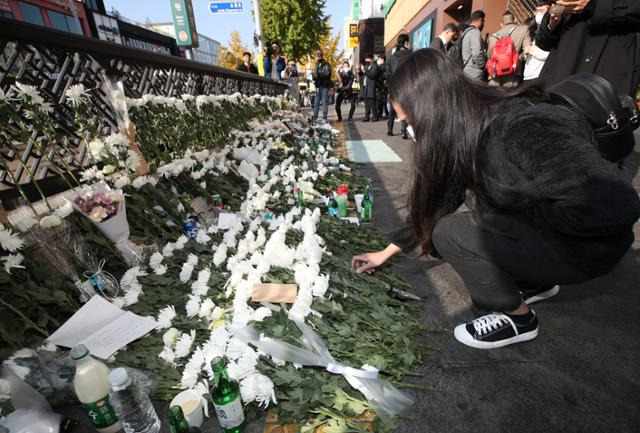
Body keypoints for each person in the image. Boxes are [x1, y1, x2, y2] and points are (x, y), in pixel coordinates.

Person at [351, 49, 640, 350]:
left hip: (590, 246)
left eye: (408, 120)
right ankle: (535, 281)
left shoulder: (517, 128)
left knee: (450, 233)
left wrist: (528, 228)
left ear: (431, 108)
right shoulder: (470, 128)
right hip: (565, 233)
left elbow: (616, 203)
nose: (409, 132)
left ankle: (517, 318)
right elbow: (435, 204)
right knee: (474, 216)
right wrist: (384, 253)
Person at [536, 0, 640, 96]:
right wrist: (552, 24)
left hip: (606, 68)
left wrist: (594, 5)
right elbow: (543, 42)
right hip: (558, 74)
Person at [486, 10, 532, 88]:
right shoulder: (523, 30)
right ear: (515, 20)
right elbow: (527, 50)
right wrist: (516, 59)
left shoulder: (493, 36)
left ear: (501, 24)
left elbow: (489, 56)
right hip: (512, 76)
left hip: (495, 76)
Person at [387, 34, 411, 137]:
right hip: (406, 85)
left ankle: (390, 130)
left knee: (392, 109)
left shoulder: (392, 57)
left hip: (394, 85)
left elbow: (387, 73)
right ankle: (403, 131)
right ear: (406, 42)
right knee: (405, 108)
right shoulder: (409, 55)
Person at [523, 3, 551, 82]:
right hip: (528, 75)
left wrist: (533, 51)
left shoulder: (552, 33)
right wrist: (526, 53)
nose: (538, 14)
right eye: (537, 11)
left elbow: (552, 54)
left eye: (542, 11)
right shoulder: (535, 33)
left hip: (539, 74)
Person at [462, 10, 487, 81]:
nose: (483, 24)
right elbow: (477, 53)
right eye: (483, 21)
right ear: (480, 20)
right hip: (474, 73)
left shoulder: (466, 32)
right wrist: (483, 66)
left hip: (467, 70)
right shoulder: (475, 32)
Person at [312, 50, 332, 122]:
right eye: (317, 54)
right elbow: (314, 74)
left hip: (324, 86)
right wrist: (314, 76)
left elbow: (327, 73)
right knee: (316, 103)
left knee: (324, 103)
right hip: (318, 86)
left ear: (322, 55)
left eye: (319, 54)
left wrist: (318, 74)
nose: (318, 56)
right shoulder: (316, 64)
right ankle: (315, 116)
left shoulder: (326, 64)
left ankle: (324, 117)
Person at [362, 52, 381, 122]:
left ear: (372, 59)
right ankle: (366, 116)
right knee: (366, 102)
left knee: (372, 102)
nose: (366, 60)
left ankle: (375, 117)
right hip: (366, 86)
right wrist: (360, 71)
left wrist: (364, 71)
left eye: (368, 59)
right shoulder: (368, 66)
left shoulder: (375, 66)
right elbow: (364, 74)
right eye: (366, 59)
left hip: (371, 86)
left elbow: (372, 75)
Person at [376, 54, 392, 119]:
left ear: (382, 59)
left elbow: (388, 74)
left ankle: (386, 113)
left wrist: (383, 78)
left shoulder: (386, 65)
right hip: (380, 85)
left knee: (384, 100)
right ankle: (380, 113)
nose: (378, 60)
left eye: (379, 59)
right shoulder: (379, 66)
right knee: (380, 100)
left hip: (384, 85)